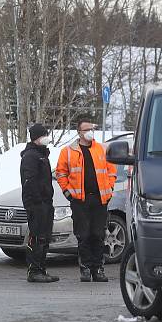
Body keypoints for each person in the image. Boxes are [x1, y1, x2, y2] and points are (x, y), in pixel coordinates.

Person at [56, 119, 117, 282]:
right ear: (79, 133)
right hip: (79, 201)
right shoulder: (68, 151)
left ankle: (98, 269)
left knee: (98, 235)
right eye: (87, 129)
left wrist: (110, 189)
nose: (91, 131)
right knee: (83, 235)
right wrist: (67, 192)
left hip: (99, 200)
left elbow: (112, 171)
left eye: (92, 128)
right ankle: (85, 268)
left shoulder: (102, 149)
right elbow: (60, 173)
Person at [20, 124, 59, 283]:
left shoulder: (42, 155)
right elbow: (29, 181)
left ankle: (41, 269)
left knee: (44, 237)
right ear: (36, 138)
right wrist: (37, 201)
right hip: (37, 204)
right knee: (37, 236)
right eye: (44, 135)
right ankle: (34, 270)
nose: (46, 137)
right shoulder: (31, 156)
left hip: (45, 203)